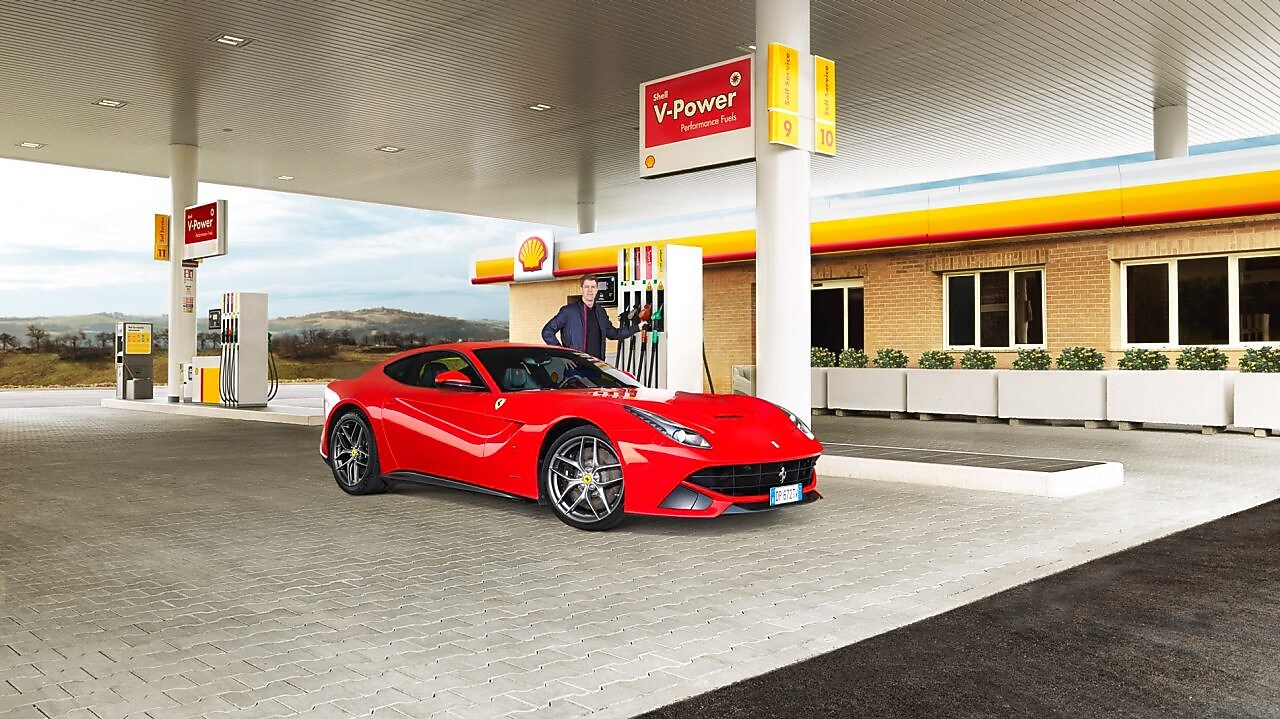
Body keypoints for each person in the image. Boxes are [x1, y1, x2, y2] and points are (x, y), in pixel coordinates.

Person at [542, 275, 643, 360]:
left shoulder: (601, 312)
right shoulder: (568, 311)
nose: (590, 290)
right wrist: (563, 354)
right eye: (586, 287)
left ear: (597, 290)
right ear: (581, 289)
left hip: (597, 367)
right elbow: (547, 332)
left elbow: (614, 334)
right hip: (575, 367)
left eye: (593, 287)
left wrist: (637, 327)